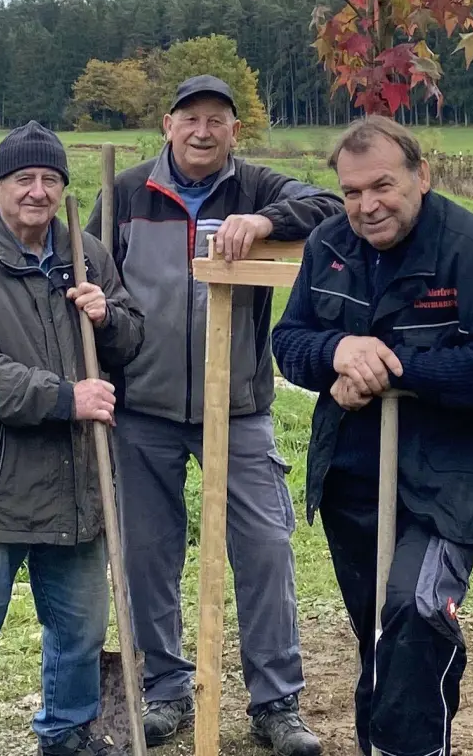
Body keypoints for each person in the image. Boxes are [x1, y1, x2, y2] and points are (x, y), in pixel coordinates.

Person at [273, 116, 473, 756]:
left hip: (459, 473)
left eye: (382, 186)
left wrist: (384, 367)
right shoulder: (328, 244)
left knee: (416, 610)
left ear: (421, 177)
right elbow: (288, 344)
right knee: (381, 634)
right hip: (355, 470)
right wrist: (339, 350)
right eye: (351, 192)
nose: (367, 206)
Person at [87, 75, 341, 755]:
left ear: (235, 131)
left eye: (218, 121)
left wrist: (265, 222)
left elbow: (332, 206)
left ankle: (275, 702)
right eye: (191, 119)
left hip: (241, 404)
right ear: (168, 125)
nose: (204, 131)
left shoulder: (257, 186)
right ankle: (165, 687)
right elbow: (90, 270)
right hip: (142, 406)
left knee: (264, 546)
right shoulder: (126, 193)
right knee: (147, 552)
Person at [0, 121, 144, 756]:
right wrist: (63, 397)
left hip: (79, 483)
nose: (38, 192)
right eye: (24, 178)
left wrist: (109, 317)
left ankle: (68, 731)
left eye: (50, 179)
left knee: (78, 629)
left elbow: (131, 339)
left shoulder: (88, 255)